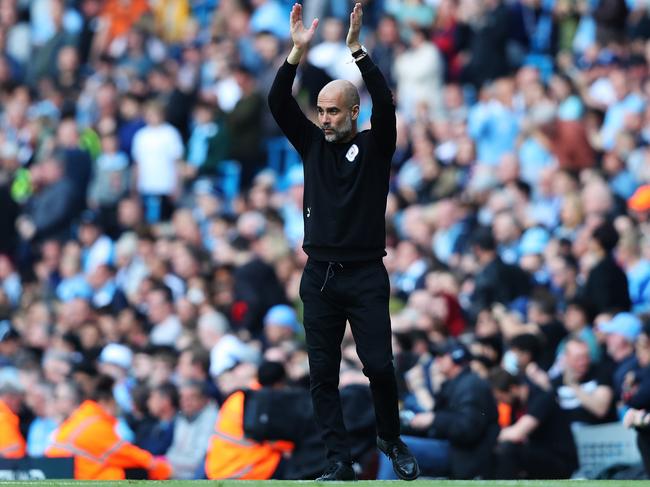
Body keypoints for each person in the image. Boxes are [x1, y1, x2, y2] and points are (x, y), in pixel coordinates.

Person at [268, 3, 419, 481]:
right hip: (319, 276)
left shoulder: (376, 146)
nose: (326, 118)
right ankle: (337, 460)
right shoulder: (311, 144)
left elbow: (388, 104)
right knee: (321, 376)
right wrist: (296, 52)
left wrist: (356, 50)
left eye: (334, 111)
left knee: (379, 365)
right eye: (322, 111)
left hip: (366, 273)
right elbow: (277, 102)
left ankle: (389, 438)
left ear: (354, 112)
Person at [379, 339, 499, 479]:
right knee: (391, 441)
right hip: (454, 449)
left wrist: (434, 419)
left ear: (457, 357)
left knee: (395, 448)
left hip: (465, 455)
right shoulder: (456, 383)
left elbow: (467, 429)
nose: (437, 360)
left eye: (442, 356)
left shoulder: (472, 384)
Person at [46, 375, 172, 480]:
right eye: (115, 403)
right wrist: (163, 470)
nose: (117, 408)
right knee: (139, 472)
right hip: (83, 478)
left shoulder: (81, 418)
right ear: (105, 402)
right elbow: (127, 454)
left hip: (67, 476)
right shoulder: (95, 424)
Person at [0, 376, 26, 458]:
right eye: (19, 399)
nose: (20, 404)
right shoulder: (4, 417)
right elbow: (13, 450)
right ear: (9, 397)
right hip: (8, 467)